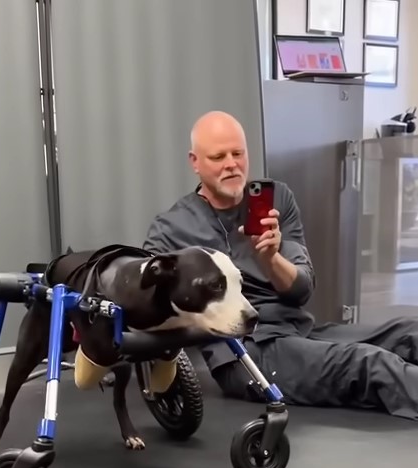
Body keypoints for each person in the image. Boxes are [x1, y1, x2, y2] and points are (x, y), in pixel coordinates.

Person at [142, 110, 418, 420]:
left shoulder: (277, 200)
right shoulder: (170, 229)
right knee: (372, 363)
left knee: (409, 332)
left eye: (238, 153)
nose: (231, 164)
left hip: (297, 329)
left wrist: (271, 259)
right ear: (195, 162)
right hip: (244, 351)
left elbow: (301, 291)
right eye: (219, 157)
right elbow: (144, 300)